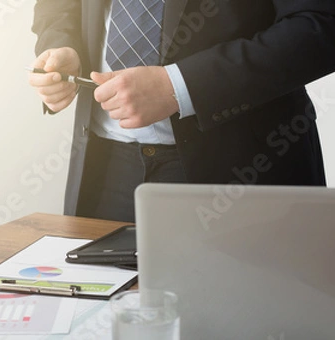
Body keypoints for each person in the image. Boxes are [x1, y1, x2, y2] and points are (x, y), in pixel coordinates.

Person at [28, 0, 335, 222]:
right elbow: (57, 7)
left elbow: (319, 24)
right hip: (103, 169)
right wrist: (64, 45)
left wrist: (179, 86)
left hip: (243, 167)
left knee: (244, 308)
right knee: (100, 311)